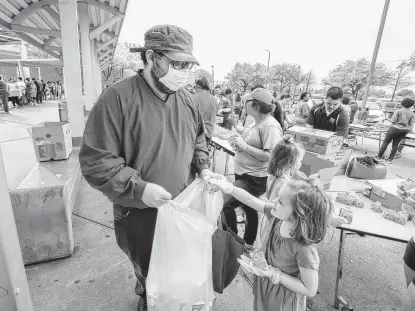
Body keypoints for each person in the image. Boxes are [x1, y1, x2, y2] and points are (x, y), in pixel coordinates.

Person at [79, 24, 216, 311]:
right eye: (178, 63)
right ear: (152, 57)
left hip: (179, 206)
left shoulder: (187, 100)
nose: (185, 71)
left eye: (189, 64)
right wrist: (139, 189)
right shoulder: (117, 98)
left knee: (177, 266)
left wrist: (203, 168)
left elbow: (199, 138)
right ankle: (146, 296)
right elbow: (97, 160)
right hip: (138, 211)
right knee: (147, 266)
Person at [206, 176, 331, 311]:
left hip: (283, 302)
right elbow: (250, 200)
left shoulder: (304, 249)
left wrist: (274, 274)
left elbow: (310, 289)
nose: (274, 201)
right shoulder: (276, 216)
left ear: (297, 214)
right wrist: (230, 188)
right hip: (264, 288)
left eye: (281, 201)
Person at [223, 88, 283, 252]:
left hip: (254, 177)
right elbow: (249, 141)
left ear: (256, 106)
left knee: (224, 203)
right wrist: (238, 137)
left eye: (246, 102)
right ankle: (249, 243)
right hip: (244, 172)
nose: (243, 104)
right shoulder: (255, 121)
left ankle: (233, 241)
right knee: (249, 208)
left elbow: (271, 156)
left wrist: (245, 146)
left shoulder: (270, 126)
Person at [377, 98, 415, 163]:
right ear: (411, 105)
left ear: (402, 103)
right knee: (395, 144)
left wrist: (386, 118)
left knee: (386, 142)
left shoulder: (398, 111)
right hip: (404, 130)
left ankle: (379, 157)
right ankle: (389, 160)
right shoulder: (412, 114)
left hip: (395, 128)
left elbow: (393, 120)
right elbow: (411, 124)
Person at [193, 76, 217, 143]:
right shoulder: (214, 99)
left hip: (196, 134)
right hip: (208, 134)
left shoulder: (193, 97)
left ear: (198, 86)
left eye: (195, 87)